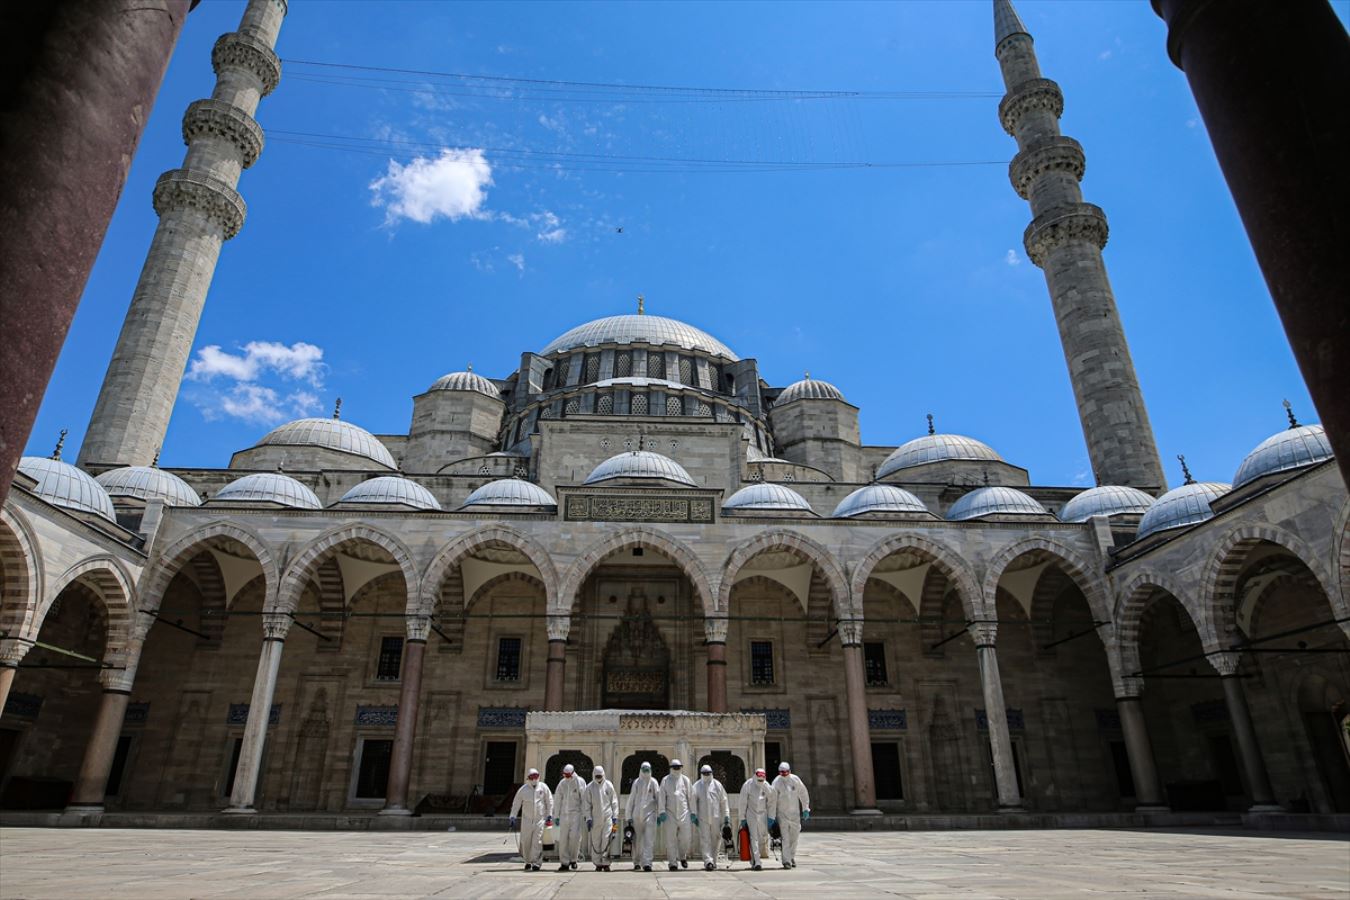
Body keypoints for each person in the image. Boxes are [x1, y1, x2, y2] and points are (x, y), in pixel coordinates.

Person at [509, 768, 553, 871]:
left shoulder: (543, 787)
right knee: (526, 842)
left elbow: (549, 801)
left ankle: (537, 863)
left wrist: (549, 815)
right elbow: (516, 804)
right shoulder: (523, 790)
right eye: (532, 777)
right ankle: (528, 861)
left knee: (537, 842)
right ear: (528, 778)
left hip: (539, 820)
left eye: (536, 776)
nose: (534, 779)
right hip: (527, 820)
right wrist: (513, 816)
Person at [769, 761, 810, 869]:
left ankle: (791, 856)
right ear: (779, 772)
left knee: (794, 838)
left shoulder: (795, 779)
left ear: (790, 771)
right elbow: (773, 801)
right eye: (782, 773)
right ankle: (786, 861)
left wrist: (806, 808)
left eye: (786, 772)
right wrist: (772, 817)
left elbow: (803, 793)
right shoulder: (776, 782)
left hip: (795, 814)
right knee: (785, 838)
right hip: (782, 815)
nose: (784, 774)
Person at [690, 763, 730, 871]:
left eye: (708, 773)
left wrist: (726, 815)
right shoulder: (697, 786)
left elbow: (724, 801)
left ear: (711, 773)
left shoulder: (717, 785)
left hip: (716, 817)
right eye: (704, 773)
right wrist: (693, 814)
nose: (706, 775)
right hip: (703, 818)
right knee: (705, 839)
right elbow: (692, 800)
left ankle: (714, 860)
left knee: (716, 839)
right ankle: (708, 861)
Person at [582, 765, 619, 872]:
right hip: (595, 818)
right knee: (596, 841)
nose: (598, 778)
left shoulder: (608, 785)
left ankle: (606, 863)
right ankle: (598, 863)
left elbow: (614, 802)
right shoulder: (589, 787)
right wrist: (588, 818)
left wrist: (615, 817)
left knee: (606, 840)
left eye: (600, 776)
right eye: (597, 776)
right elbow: (587, 805)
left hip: (607, 817)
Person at [625, 760, 661, 871]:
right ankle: (636, 862)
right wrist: (628, 816)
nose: (645, 772)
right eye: (644, 769)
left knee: (649, 840)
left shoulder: (654, 782)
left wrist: (660, 814)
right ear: (641, 770)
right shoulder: (637, 782)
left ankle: (647, 863)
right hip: (637, 816)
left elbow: (659, 799)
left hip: (650, 815)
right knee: (637, 840)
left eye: (647, 770)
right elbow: (631, 800)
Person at [658, 758, 692, 871]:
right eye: (675, 767)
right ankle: (672, 863)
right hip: (670, 814)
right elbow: (662, 797)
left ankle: (682, 856)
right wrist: (661, 811)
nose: (677, 769)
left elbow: (690, 797)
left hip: (684, 813)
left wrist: (693, 813)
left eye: (678, 767)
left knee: (685, 838)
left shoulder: (686, 780)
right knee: (670, 839)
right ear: (671, 768)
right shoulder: (665, 780)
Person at [739, 767, 773, 870]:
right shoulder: (748, 785)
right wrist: (742, 817)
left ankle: (754, 859)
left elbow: (771, 801)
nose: (760, 782)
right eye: (759, 780)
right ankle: (757, 861)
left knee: (762, 837)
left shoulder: (766, 786)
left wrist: (771, 816)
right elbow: (742, 802)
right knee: (753, 838)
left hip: (762, 814)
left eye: (762, 780)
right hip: (751, 814)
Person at [553, 763, 584, 871]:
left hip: (576, 814)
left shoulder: (579, 782)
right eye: (565, 775)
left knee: (575, 838)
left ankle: (574, 860)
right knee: (563, 840)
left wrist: (585, 815)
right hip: (563, 815)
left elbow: (583, 799)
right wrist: (556, 815)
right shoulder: (562, 783)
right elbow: (557, 800)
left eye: (568, 775)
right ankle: (564, 862)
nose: (566, 777)